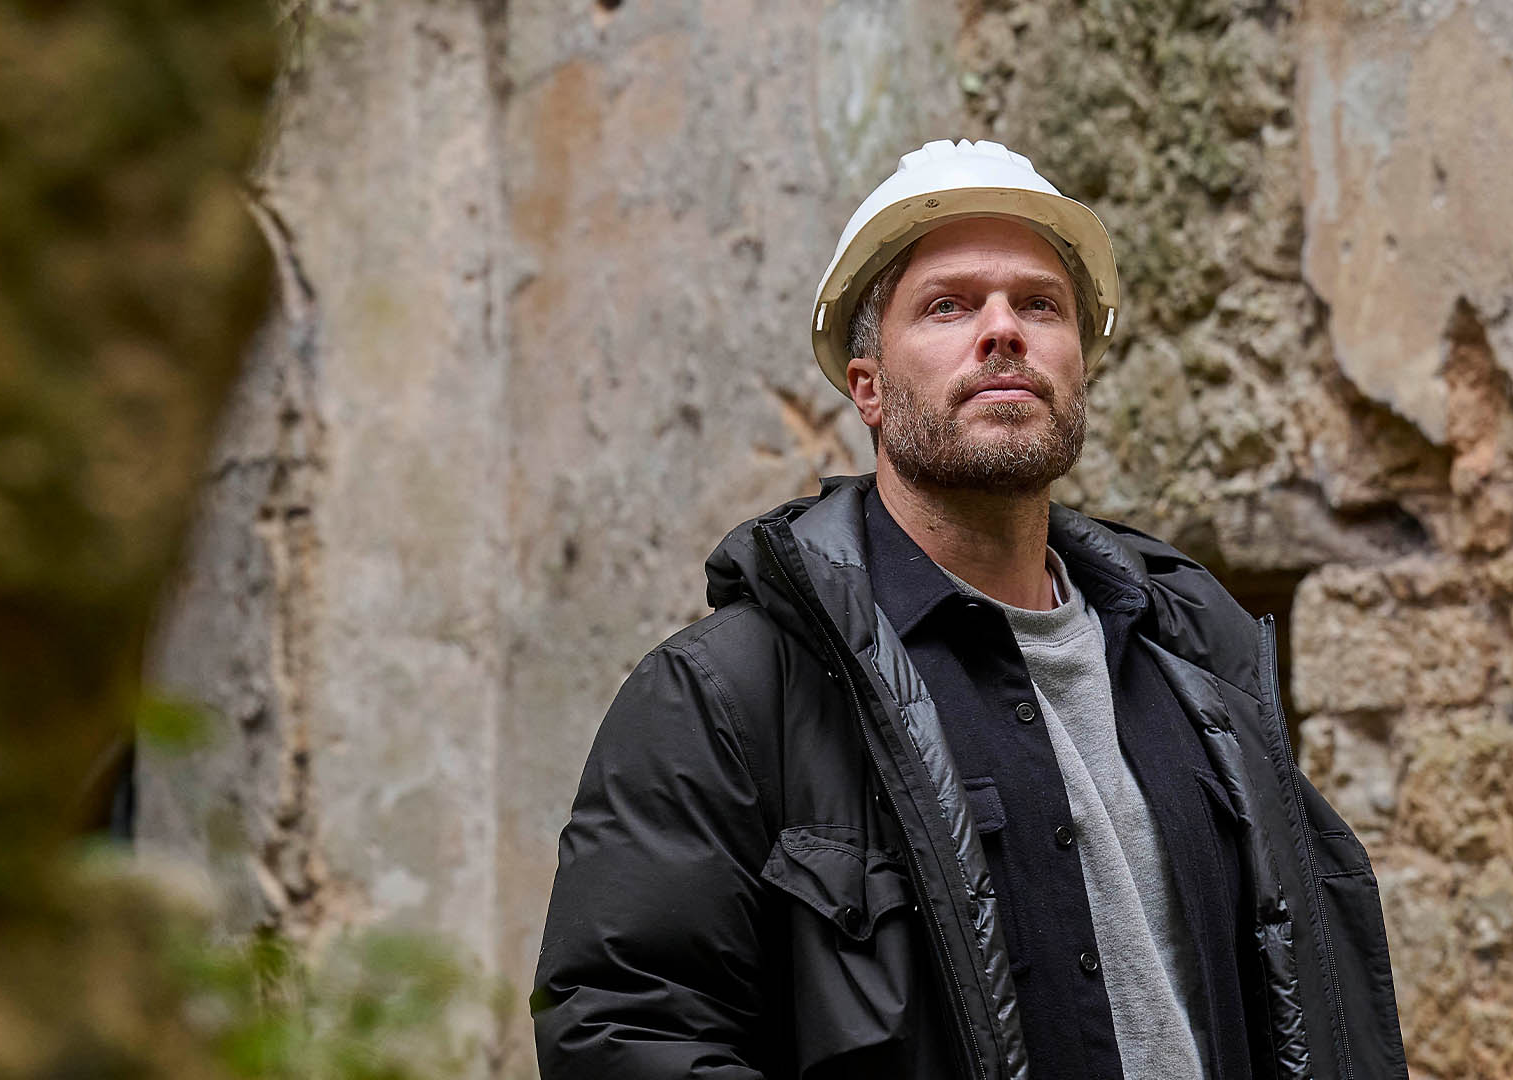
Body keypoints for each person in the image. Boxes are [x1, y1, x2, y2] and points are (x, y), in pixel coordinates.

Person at [531, 139, 1406, 1080]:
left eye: (1039, 304)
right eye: (948, 306)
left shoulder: (1199, 672)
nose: (1004, 331)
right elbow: (624, 1036)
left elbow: (1314, 1010)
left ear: (1079, 368)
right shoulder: (728, 697)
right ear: (868, 387)